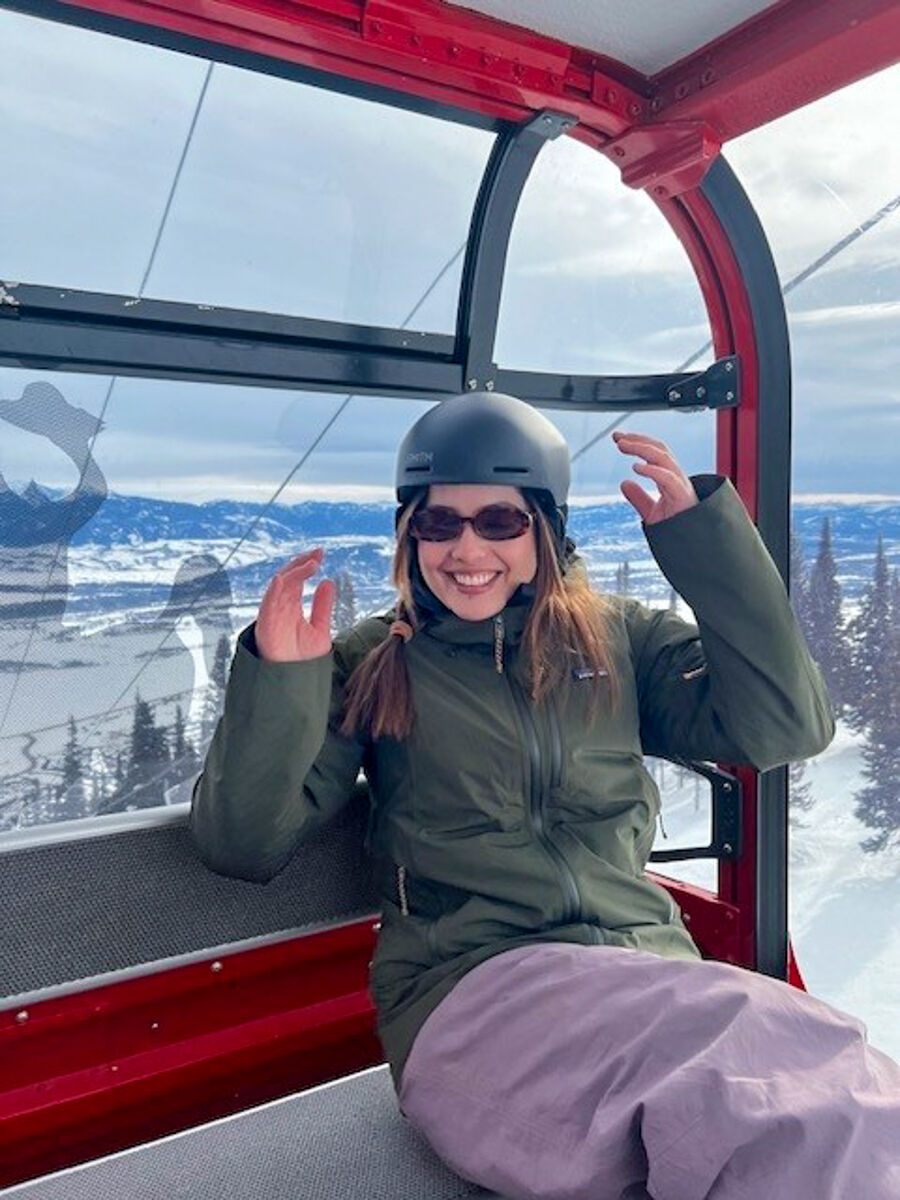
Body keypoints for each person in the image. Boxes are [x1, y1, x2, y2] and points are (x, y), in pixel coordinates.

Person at [191, 392, 900, 1200]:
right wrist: (281, 677)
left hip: (646, 974)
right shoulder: (373, 663)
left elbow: (783, 727)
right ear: (407, 535)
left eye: (499, 522)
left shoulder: (615, 642)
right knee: (761, 1065)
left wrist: (705, 547)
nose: (466, 549)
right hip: (475, 993)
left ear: (546, 530)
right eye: (437, 523)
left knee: (800, 1091)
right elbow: (243, 841)